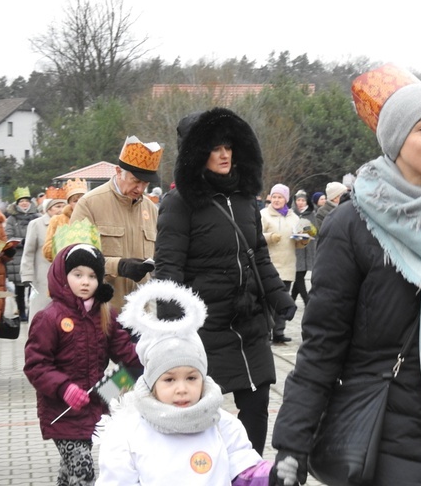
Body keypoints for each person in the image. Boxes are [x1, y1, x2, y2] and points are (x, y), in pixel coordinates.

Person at [271, 64, 421, 486]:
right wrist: (292, 445)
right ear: (397, 140)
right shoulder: (351, 225)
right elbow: (323, 344)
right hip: (381, 434)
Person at [154, 107, 296, 455]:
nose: (224, 154)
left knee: (258, 404)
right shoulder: (179, 203)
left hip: (248, 322)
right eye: (215, 147)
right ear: (196, 153)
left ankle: (249, 471)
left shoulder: (246, 200)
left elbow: (258, 253)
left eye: (228, 146)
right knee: (202, 412)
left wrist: (279, 297)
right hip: (205, 327)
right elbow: (168, 267)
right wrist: (171, 329)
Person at [96, 280, 273, 485]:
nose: (182, 389)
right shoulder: (126, 432)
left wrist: (272, 476)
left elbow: (244, 470)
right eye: (169, 379)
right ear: (152, 383)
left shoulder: (222, 424)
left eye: (191, 378)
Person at [23, 242, 141, 486]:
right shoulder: (49, 317)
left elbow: (126, 355)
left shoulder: (105, 314)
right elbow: (36, 365)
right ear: (64, 276)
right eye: (78, 275)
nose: (85, 282)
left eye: (92, 276)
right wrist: (64, 388)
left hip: (93, 408)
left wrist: (113, 389)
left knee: (69, 474)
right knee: (83, 471)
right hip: (61, 411)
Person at [70, 137, 162, 311]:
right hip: (101, 312)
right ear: (119, 171)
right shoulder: (89, 204)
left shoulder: (151, 209)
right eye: (136, 181)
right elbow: (73, 259)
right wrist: (119, 266)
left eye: (146, 183)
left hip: (142, 316)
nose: (141, 189)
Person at [260, 184, 306, 344]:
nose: (277, 200)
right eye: (274, 197)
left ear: (286, 199)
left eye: (280, 197)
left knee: (283, 301)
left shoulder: (295, 217)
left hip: (287, 265)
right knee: (267, 303)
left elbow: (299, 243)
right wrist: (269, 237)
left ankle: (279, 332)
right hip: (269, 266)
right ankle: (265, 333)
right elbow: (255, 236)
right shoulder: (263, 215)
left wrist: (303, 240)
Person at [20, 195, 66, 316]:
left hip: (63, 277)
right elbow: (28, 252)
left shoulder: (68, 224)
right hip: (41, 276)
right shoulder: (36, 224)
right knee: (40, 311)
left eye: (63, 206)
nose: (61, 209)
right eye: (57, 206)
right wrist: (27, 275)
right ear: (48, 209)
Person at [6, 186, 41, 322]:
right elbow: (9, 237)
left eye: (26, 200)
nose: (24, 203)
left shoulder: (37, 217)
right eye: (21, 201)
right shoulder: (12, 219)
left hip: (34, 255)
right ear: (17, 204)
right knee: (19, 288)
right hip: (18, 256)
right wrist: (23, 242)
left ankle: (32, 309)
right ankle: (21, 311)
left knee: (33, 287)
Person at [42, 178, 89, 263]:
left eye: (82, 200)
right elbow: (47, 251)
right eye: (75, 201)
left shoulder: (95, 218)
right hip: (65, 266)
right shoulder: (57, 220)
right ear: (69, 203)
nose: (79, 204)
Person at [290, 189, 317, 306]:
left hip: (308, 248)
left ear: (307, 202)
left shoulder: (311, 213)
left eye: (303, 200)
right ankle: (307, 300)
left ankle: (291, 300)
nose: (300, 202)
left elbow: (315, 230)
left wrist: (305, 229)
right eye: (298, 200)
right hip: (296, 248)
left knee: (300, 274)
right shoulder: (291, 213)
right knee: (298, 275)